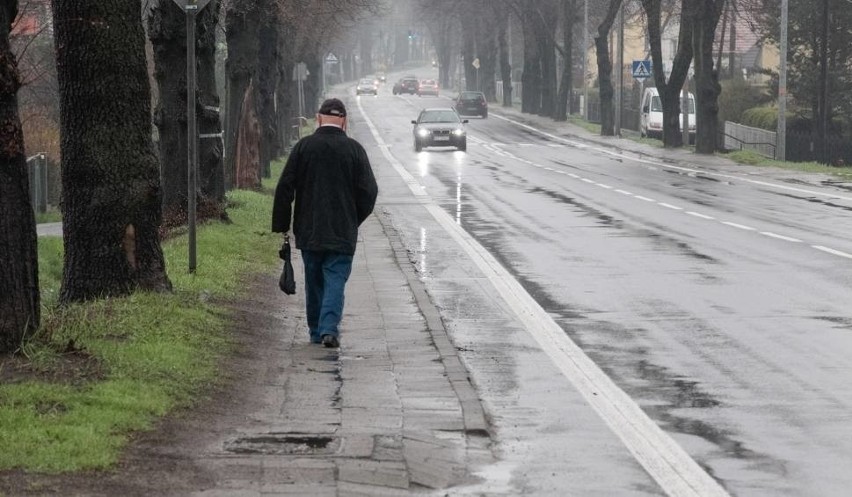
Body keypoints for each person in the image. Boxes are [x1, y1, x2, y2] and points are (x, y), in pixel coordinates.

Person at [272, 98, 378, 348]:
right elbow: (369, 191)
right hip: (342, 232)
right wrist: (354, 218)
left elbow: (285, 187)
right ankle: (329, 328)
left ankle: (315, 330)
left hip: (310, 229)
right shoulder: (354, 150)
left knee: (314, 280)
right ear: (344, 122)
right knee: (335, 279)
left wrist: (282, 224)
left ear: (318, 119)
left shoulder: (304, 148)